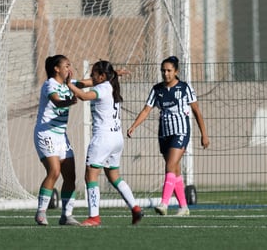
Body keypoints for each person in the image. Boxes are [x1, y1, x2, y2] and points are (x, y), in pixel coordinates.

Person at [127, 56, 210, 216]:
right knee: (175, 169)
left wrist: (204, 134)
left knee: (170, 165)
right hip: (164, 133)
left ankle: (164, 203)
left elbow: (196, 111)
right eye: (163, 70)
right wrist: (134, 126)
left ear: (176, 71)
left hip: (181, 131)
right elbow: (146, 110)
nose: (166, 73)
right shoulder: (157, 89)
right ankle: (184, 207)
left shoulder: (185, 88)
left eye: (169, 70)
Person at [67, 60, 143, 227]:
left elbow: (84, 96)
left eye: (93, 73)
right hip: (116, 139)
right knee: (114, 176)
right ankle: (135, 208)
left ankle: (94, 217)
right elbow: (85, 83)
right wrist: (71, 82)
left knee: (90, 176)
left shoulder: (101, 88)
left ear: (102, 76)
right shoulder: (110, 84)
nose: (90, 76)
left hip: (103, 139)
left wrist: (69, 85)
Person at [33, 55, 80, 226]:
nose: (69, 68)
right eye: (66, 65)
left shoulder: (69, 83)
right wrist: (69, 101)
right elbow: (57, 101)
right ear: (57, 69)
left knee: (70, 175)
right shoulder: (50, 84)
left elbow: (88, 83)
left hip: (61, 135)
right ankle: (41, 212)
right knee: (54, 171)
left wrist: (112, 74)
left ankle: (66, 215)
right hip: (46, 133)